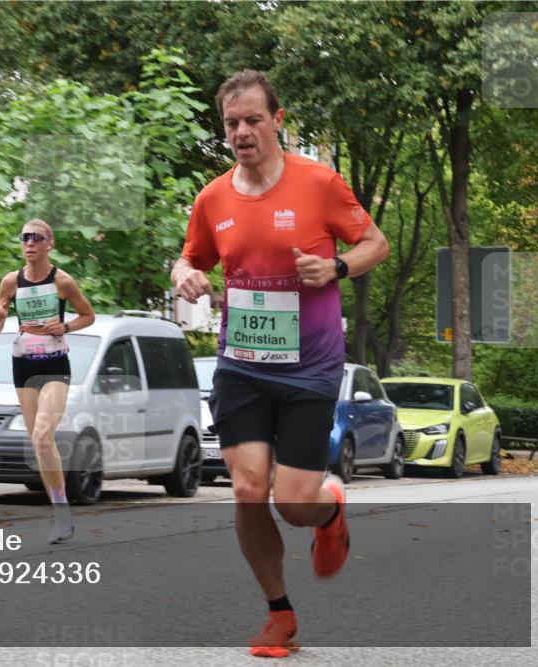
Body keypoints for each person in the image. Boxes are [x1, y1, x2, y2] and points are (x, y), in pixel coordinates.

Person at [171, 70, 389, 658]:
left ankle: (328, 509)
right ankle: (279, 614)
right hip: (240, 366)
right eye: (231, 124)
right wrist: (186, 274)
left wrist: (338, 268)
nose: (242, 132)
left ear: (278, 120)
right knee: (246, 489)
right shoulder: (212, 198)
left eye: (252, 120)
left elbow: (376, 243)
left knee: (293, 504)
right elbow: (189, 257)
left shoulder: (318, 183)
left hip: (310, 370)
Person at [0, 219, 96, 544]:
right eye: (25, 238)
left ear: (50, 243)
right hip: (23, 365)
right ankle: (61, 509)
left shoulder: (62, 281)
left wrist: (66, 328)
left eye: (37, 238)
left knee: (43, 434)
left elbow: (87, 315)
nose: (29, 243)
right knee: (39, 444)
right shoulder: (10, 282)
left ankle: (62, 513)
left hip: (55, 365)